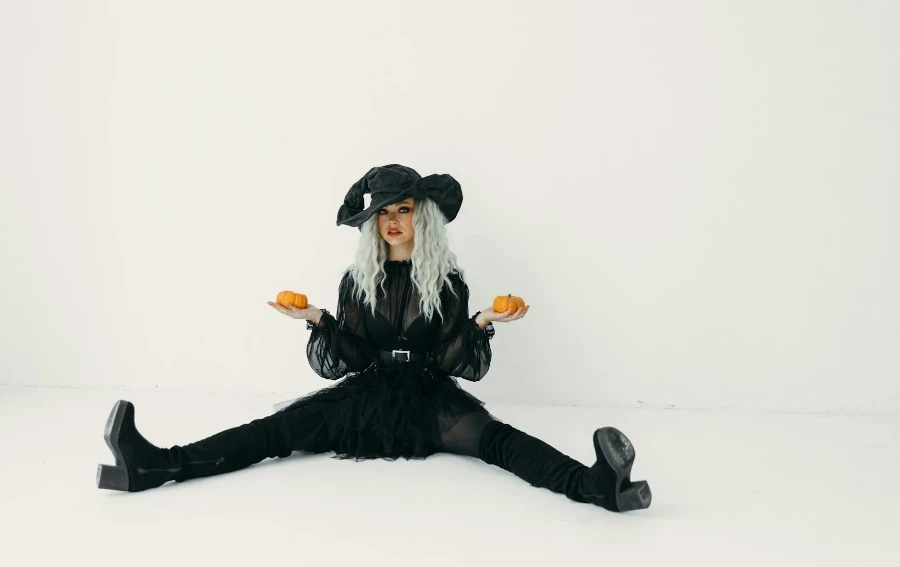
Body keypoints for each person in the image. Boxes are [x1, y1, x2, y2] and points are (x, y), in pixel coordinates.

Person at [96, 164, 652, 512]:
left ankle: (599, 486)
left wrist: (482, 321)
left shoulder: (449, 281)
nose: (391, 221)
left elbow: (450, 359)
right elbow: (353, 357)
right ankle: (154, 465)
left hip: (430, 398)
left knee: (499, 443)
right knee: (276, 430)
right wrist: (316, 318)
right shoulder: (358, 281)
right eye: (382, 213)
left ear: (421, 218)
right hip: (367, 395)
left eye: (402, 210)